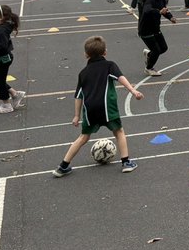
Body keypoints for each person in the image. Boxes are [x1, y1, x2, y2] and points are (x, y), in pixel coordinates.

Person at [53, 36, 143, 176]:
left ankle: (63, 166)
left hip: (90, 110)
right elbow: (120, 77)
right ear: (105, 52)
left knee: (83, 137)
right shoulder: (109, 65)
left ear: (85, 55)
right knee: (119, 132)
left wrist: (77, 115)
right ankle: (126, 163)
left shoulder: (83, 73)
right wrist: (133, 90)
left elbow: (78, 95)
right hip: (107, 108)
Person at [139, 0, 176, 76]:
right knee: (156, 50)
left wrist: (170, 17)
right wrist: (158, 12)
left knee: (163, 48)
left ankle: (149, 55)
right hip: (145, 30)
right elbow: (147, 11)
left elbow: (164, 10)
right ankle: (149, 68)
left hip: (155, 28)